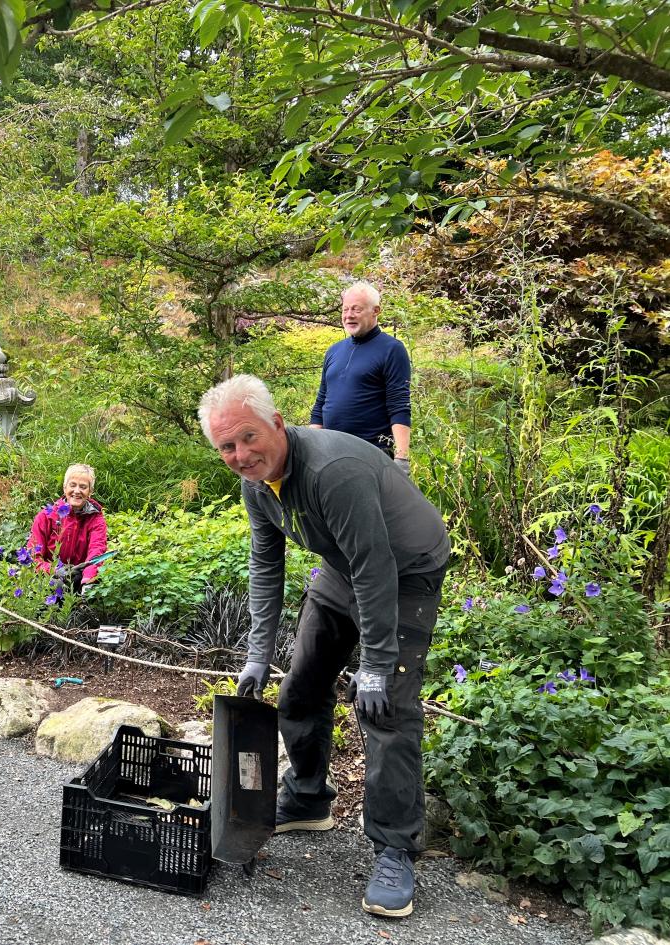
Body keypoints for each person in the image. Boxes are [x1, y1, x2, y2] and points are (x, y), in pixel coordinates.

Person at [198, 374, 450, 919]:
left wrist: (378, 665)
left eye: (248, 437)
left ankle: (395, 848)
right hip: (343, 567)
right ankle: (309, 797)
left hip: (405, 570)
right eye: (227, 447)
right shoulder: (257, 484)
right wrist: (257, 655)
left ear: (278, 424)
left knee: (386, 709)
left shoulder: (332, 472)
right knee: (302, 688)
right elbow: (266, 566)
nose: (241, 454)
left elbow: (377, 567)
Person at [309, 281, 413, 473]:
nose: (349, 315)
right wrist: (310, 449)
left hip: (372, 456)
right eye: (345, 309)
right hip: (331, 454)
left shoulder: (392, 349)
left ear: (376, 311)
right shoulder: (334, 351)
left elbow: (399, 405)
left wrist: (401, 458)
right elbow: (321, 403)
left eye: (356, 309)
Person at [28, 463, 108, 594]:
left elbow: (97, 551)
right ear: (64, 488)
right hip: (48, 580)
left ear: (90, 492)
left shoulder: (96, 520)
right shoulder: (46, 516)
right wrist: (54, 570)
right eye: (72, 485)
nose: (77, 491)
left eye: (83, 487)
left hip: (78, 580)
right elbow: (33, 557)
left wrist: (88, 581)